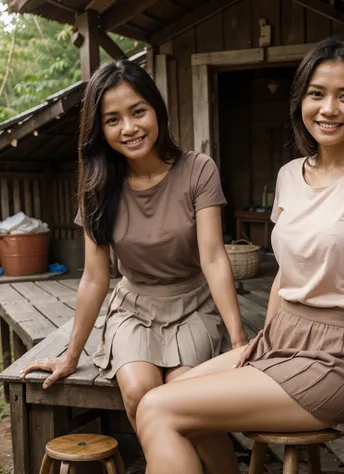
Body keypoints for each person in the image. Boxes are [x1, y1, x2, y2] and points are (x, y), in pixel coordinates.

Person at [135, 36, 344, 474]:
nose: (329, 109)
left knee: (158, 407)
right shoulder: (289, 175)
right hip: (280, 338)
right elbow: (285, 274)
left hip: (336, 358)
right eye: (317, 94)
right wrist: (258, 342)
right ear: (300, 101)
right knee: (174, 387)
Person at [20, 59, 247, 474]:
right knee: (140, 390)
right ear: (100, 129)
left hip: (193, 304)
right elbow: (94, 278)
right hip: (134, 309)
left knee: (183, 394)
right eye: (113, 119)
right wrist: (71, 356)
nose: (129, 127)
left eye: (138, 111)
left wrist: (237, 340)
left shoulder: (198, 169)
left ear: (157, 110)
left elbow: (214, 257)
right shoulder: (96, 186)